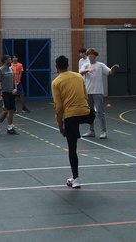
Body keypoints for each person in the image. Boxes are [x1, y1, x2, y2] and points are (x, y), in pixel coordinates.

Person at [51, 55, 93, 189]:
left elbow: (59, 107)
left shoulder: (56, 82)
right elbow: (85, 96)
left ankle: (76, 179)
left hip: (71, 116)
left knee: (72, 148)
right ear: (68, 65)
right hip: (86, 113)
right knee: (90, 113)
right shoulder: (78, 76)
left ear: (56, 66)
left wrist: (60, 126)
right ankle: (93, 120)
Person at [79, 48, 119, 139]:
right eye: (88, 54)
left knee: (100, 112)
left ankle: (103, 131)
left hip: (98, 92)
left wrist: (113, 68)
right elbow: (80, 73)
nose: (89, 56)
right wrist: (86, 70)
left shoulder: (100, 65)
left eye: (91, 54)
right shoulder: (85, 65)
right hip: (88, 92)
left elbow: (110, 72)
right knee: (89, 113)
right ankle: (91, 130)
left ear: (95, 56)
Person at [0, 55, 18, 135]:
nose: (11, 60)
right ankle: (1, 126)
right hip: (4, 93)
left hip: (11, 93)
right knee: (6, 110)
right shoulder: (0, 70)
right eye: (9, 59)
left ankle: (8, 128)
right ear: (5, 61)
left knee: (10, 110)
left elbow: (14, 80)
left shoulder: (11, 69)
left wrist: (15, 88)